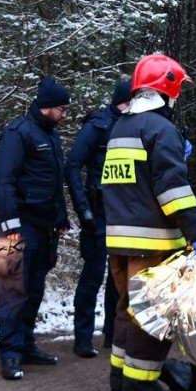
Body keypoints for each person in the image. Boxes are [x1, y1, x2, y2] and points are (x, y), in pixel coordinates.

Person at [101, 53, 196, 391]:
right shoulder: (161, 129)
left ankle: (120, 378)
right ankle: (140, 386)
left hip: (118, 240)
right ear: (167, 88)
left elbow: (132, 182)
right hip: (152, 242)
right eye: (178, 88)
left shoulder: (121, 126)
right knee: (153, 315)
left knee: (125, 310)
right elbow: (172, 192)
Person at [0, 76, 72, 381]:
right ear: (47, 107)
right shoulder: (17, 132)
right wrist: (10, 224)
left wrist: (61, 218)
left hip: (45, 227)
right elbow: (4, 181)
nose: (65, 115)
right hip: (14, 227)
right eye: (62, 110)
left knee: (35, 289)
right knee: (11, 288)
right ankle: (10, 354)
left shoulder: (51, 136)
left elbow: (55, 183)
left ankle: (26, 345)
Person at [64, 81, 132, 358]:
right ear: (124, 100)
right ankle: (82, 338)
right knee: (92, 277)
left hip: (123, 214)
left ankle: (112, 335)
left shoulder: (133, 124)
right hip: (97, 213)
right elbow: (72, 165)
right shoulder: (97, 125)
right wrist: (83, 210)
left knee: (119, 279)